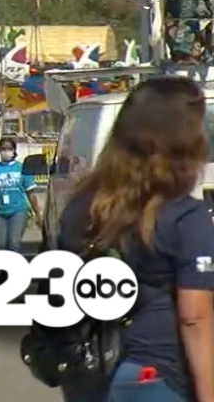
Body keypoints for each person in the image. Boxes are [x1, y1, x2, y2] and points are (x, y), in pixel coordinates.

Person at [57, 77, 214, 402]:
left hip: (91, 369)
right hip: (159, 373)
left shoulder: (81, 206)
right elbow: (194, 318)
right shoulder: (185, 216)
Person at [0, 137, 40, 252]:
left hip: (18, 210)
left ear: (14, 150)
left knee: (14, 243)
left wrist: (37, 212)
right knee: (0, 244)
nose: (6, 151)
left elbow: (30, 192)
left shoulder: (21, 168)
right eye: (3, 149)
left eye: (9, 149)